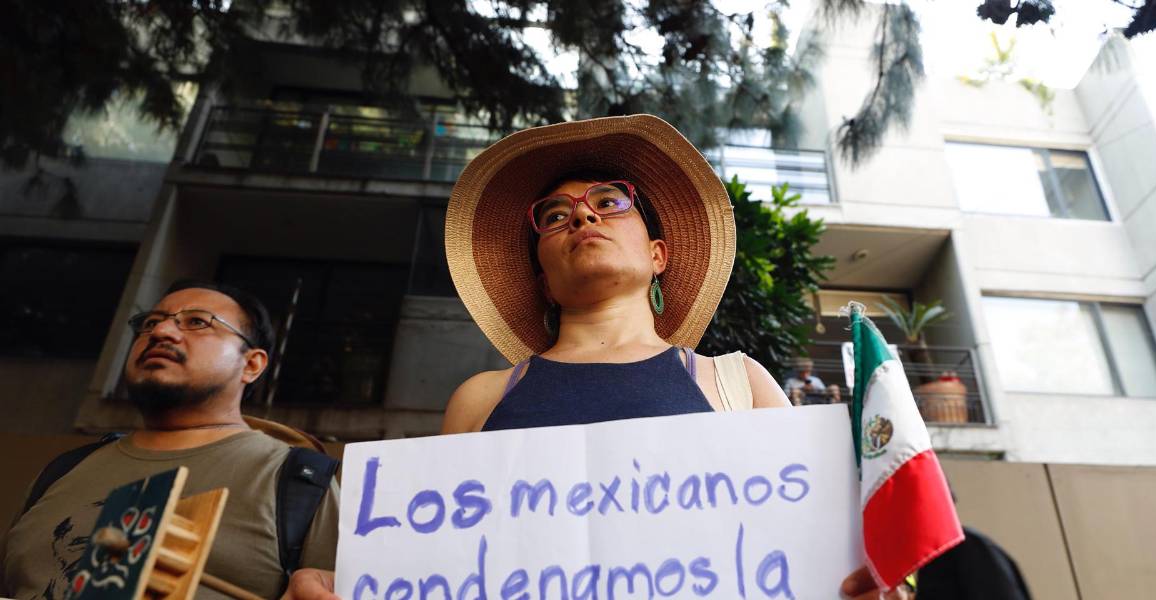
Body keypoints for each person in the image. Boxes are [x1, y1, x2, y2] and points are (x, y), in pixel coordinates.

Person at [284, 115, 910, 600]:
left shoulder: (739, 383)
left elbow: (805, 553)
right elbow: (436, 564)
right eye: (554, 217)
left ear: (659, 254)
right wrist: (339, 580)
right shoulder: (480, 398)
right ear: (542, 276)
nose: (581, 214)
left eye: (610, 202)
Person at [2, 280, 339, 600]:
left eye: (197, 322)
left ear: (251, 364)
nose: (161, 332)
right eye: (150, 323)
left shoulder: (302, 481)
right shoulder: (63, 470)